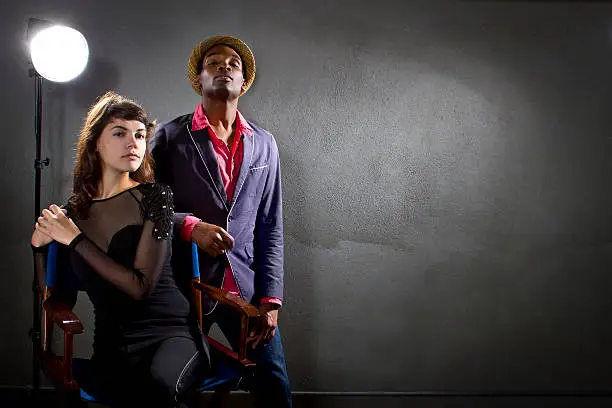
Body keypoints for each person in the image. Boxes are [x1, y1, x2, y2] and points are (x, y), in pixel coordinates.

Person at [30, 91, 209, 408]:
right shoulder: (73, 214)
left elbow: (141, 288)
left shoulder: (158, 198)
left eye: (140, 135)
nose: (134, 143)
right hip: (112, 346)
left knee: (160, 388)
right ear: (95, 143)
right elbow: (58, 298)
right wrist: (39, 249)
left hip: (170, 336)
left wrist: (75, 240)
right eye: (120, 133)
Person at [150, 35, 291, 407]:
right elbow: (143, 204)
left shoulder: (265, 144)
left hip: (244, 291)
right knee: (176, 389)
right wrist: (188, 227)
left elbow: (270, 225)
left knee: (275, 388)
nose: (224, 67)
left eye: (233, 64)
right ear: (199, 79)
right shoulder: (169, 135)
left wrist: (271, 299)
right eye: (214, 62)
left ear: (244, 82)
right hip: (183, 286)